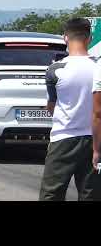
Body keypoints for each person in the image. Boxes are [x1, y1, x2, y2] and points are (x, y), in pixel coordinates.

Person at [39, 17, 101, 201]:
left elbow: (51, 106)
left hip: (63, 138)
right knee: (91, 194)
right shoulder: (98, 67)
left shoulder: (55, 69)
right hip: (95, 139)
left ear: (65, 38)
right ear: (89, 37)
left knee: (52, 193)